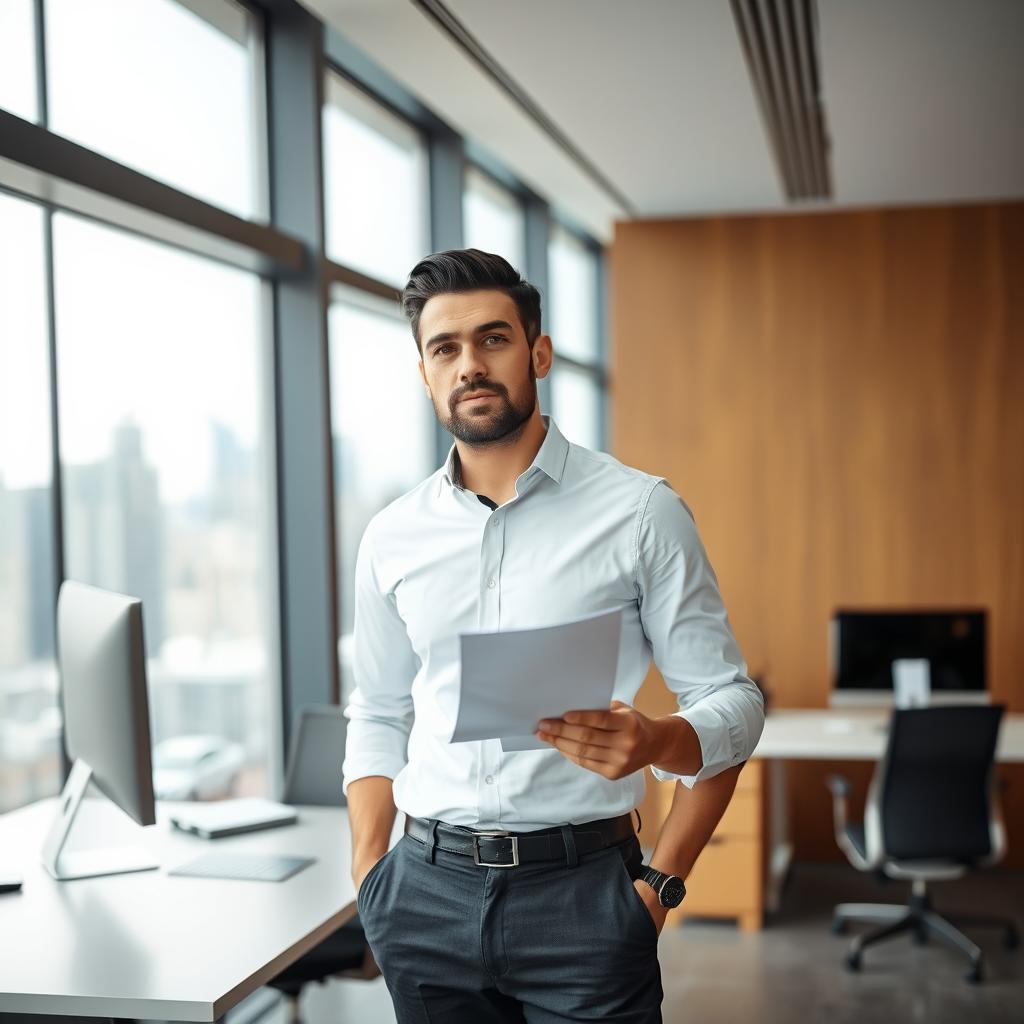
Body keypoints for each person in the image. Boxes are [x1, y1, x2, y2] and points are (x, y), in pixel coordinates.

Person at [342, 249, 765, 1023]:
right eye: (445, 348)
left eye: (492, 339)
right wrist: (372, 871)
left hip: (588, 901)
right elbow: (377, 709)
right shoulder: (391, 536)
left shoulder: (641, 513)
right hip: (425, 898)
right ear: (425, 372)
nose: (469, 364)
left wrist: (658, 782)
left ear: (537, 353)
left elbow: (732, 701)